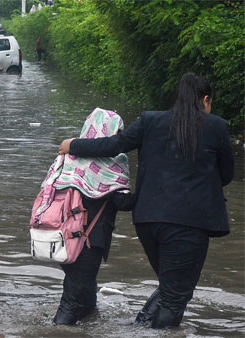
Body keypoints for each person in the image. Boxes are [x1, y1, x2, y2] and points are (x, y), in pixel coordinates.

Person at [58, 73, 234, 329]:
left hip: (148, 220)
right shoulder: (216, 126)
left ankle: (140, 325)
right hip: (189, 225)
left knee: (172, 287)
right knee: (176, 295)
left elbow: (114, 144)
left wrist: (74, 145)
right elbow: (227, 175)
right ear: (206, 100)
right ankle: (150, 332)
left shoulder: (150, 121)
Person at [45, 109, 134, 325]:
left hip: (60, 235)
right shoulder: (112, 164)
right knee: (73, 298)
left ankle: (90, 326)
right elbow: (122, 202)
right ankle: (58, 331)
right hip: (88, 240)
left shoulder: (67, 158)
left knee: (84, 290)